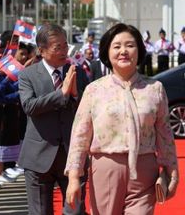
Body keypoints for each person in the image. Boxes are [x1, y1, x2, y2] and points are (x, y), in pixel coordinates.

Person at [65, 23, 179, 215]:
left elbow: (165, 135)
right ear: (107, 52)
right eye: (117, 46)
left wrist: (172, 171)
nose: (123, 51)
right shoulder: (94, 90)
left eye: (130, 45)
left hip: (144, 171)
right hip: (106, 169)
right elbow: (80, 136)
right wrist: (74, 177)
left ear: (139, 51)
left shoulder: (155, 89)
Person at [18, 23, 89, 215]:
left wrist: (75, 96)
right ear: (41, 50)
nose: (64, 51)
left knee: (76, 210)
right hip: (38, 157)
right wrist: (62, 93)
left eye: (66, 46)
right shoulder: (27, 75)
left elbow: (89, 108)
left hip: (72, 156)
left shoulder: (77, 72)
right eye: (58, 47)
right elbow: (29, 106)